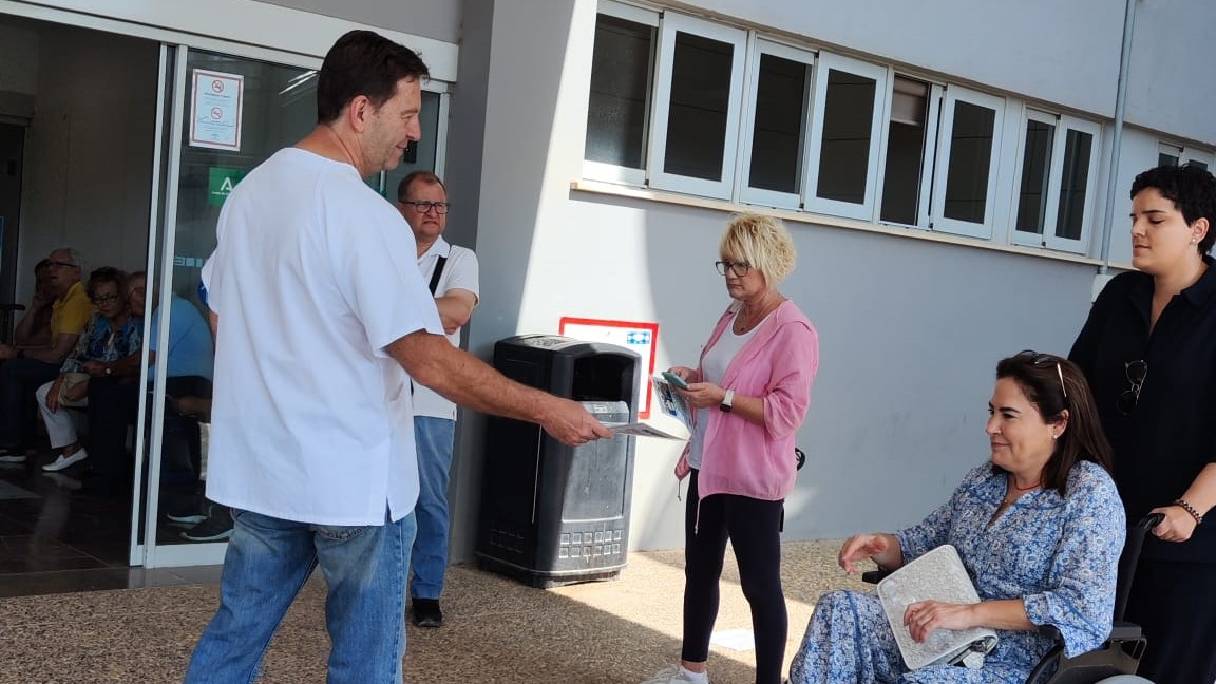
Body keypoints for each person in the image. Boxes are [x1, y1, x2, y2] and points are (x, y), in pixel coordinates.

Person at [184, 30, 609, 684]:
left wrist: (269, 372)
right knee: (365, 665)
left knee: (232, 644)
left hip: (264, 472)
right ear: (361, 110)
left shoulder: (251, 195)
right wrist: (545, 408)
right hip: (353, 486)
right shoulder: (364, 213)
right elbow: (429, 361)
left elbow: (217, 299)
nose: (413, 131)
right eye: (408, 114)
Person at [788, 352, 1125, 683]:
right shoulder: (985, 481)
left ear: (1058, 423)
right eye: (991, 412)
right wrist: (883, 545)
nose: (990, 426)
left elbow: (1083, 606)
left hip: (1013, 661)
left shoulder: (1088, 494)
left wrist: (970, 614)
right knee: (841, 609)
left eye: (1008, 415)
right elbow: (926, 541)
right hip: (943, 635)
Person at [646, 214, 819, 684]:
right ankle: (691, 672)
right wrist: (696, 379)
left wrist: (720, 398)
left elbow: (786, 414)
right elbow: (727, 378)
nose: (729, 274)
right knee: (699, 573)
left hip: (752, 478)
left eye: (740, 265)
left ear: (768, 262)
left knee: (760, 588)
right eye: (723, 265)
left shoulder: (793, 330)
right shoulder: (732, 315)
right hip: (707, 465)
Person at [1069, 163, 1216, 684]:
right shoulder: (1119, 296)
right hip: (1104, 528)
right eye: (1134, 217)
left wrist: (1190, 509)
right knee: (1093, 672)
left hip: (1189, 543)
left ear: (1198, 229)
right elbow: (1075, 389)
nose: (1136, 229)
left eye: (1154, 219)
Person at [395, 170, 478, 628]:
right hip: (380, 396)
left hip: (430, 400)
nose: (434, 214)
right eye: (424, 205)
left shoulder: (459, 258)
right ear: (401, 208)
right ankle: (383, 586)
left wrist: (391, 308)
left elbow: (456, 312)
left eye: (440, 206)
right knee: (383, 499)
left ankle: (427, 591)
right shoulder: (385, 252)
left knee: (428, 500)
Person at [35, 267, 141, 473]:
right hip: (91, 378)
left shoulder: (136, 323)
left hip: (117, 384)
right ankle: (71, 450)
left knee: (102, 395)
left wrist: (90, 384)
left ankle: (103, 466)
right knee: (45, 392)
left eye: (111, 297)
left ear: (123, 296)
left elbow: (133, 367)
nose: (105, 304)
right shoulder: (96, 321)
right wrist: (59, 382)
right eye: (99, 299)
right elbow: (77, 354)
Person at [0, 248, 93, 462]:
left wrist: (16, 353)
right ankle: (22, 444)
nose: (52, 270)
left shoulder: (77, 299)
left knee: (12, 369)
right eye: (50, 264)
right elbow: (25, 340)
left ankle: (12, 445)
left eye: (59, 265)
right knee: (16, 366)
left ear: (76, 273)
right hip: (62, 364)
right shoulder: (61, 300)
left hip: (75, 367)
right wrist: (35, 309)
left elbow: (58, 354)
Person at [11, 259, 55, 347]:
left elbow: (23, 342)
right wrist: (34, 309)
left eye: (48, 281)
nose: (43, 286)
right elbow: (19, 337)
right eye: (40, 281)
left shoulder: (65, 306)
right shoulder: (43, 306)